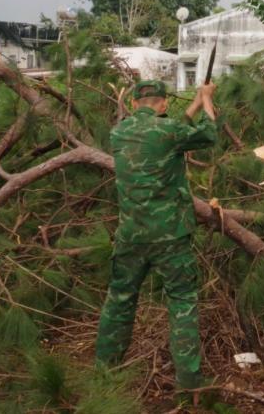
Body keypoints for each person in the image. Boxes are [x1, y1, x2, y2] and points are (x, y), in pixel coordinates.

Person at [96, 80, 218, 402]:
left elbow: (171, 132)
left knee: (120, 300)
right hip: (170, 238)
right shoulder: (170, 131)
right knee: (182, 302)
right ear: (164, 105)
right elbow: (208, 134)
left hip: (130, 237)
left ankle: (104, 375)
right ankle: (190, 385)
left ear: (134, 105)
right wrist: (206, 99)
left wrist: (194, 103)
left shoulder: (118, 133)